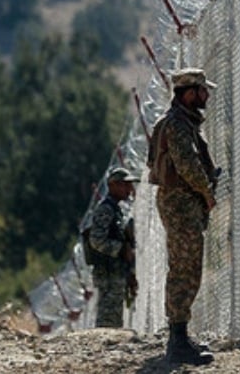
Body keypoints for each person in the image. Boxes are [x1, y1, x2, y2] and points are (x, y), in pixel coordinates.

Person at [149, 67, 220, 366]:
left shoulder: (180, 123)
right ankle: (177, 342)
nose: (206, 96)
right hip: (181, 202)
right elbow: (188, 165)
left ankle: (180, 335)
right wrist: (206, 193)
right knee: (184, 267)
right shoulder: (178, 125)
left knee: (186, 265)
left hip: (180, 202)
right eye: (202, 91)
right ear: (189, 93)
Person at [85, 166, 139, 328]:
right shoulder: (105, 210)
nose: (129, 189)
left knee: (115, 320)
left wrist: (130, 274)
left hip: (116, 274)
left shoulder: (117, 210)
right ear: (112, 185)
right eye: (124, 184)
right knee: (107, 321)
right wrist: (121, 249)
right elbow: (96, 241)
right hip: (108, 275)